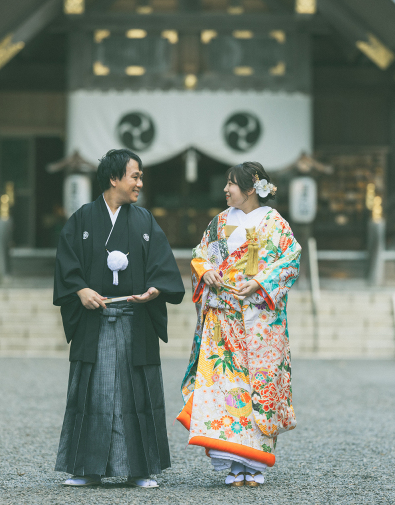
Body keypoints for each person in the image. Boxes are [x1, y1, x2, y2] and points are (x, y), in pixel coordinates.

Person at [53, 148, 184, 488]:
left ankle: (140, 469)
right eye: (134, 176)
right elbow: (67, 265)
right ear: (114, 179)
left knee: (135, 394)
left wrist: (155, 289)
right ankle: (86, 469)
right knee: (92, 394)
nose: (140, 182)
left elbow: (163, 267)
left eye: (140, 176)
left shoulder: (144, 221)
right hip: (94, 320)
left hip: (133, 320)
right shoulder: (82, 219)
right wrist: (80, 290)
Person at [177, 161, 301, 487]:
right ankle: (233, 462)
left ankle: (255, 463)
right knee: (227, 390)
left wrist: (260, 282)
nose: (225, 189)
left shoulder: (274, 223)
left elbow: (290, 258)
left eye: (231, 184)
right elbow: (200, 254)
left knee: (258, 389)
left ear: (250, 188)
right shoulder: (220, 223)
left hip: (260, 320)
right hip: (223, 319)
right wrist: (206, 271)